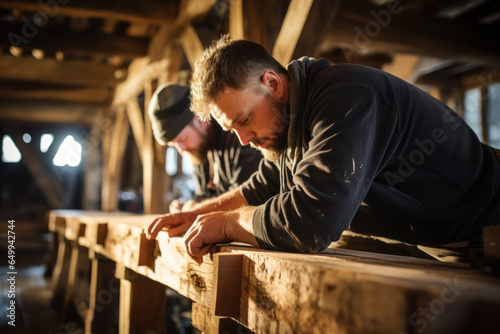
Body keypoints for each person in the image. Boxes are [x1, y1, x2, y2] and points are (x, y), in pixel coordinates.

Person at [147, 35, 500, 264]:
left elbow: (310, 223)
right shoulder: (288, 126)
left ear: (272, 83)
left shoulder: (346, 98)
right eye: (231, 128)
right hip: (446, 242)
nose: (242, 138)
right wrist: (196, 215)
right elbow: (261, 187)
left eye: (244, 119)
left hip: (488, 225)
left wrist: (225, 225)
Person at [148, 83, 262, 212]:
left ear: (201, 119)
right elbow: (205, 196)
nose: (182, 149)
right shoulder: (199, 150)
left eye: (182, 139)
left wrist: (195, 210)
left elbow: (246, 199)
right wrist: (188, 205)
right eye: (174, 145)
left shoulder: (240, 138)